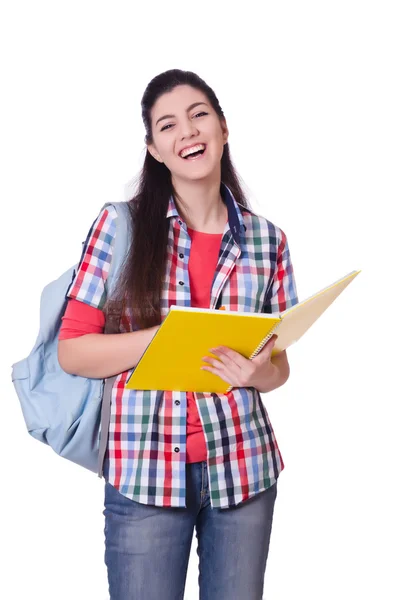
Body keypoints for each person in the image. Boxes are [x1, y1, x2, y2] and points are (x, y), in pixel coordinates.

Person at [58, 69, 299, 600]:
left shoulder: (266, 240)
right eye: (168, 126)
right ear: (155, 150)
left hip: (245, 469)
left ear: (223, 128)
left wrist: (262, 372)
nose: (187, 132)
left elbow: (279, 365)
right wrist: (167, 335)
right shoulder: (119, 226)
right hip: (145, 473)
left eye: (199, 115)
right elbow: (73, 351)